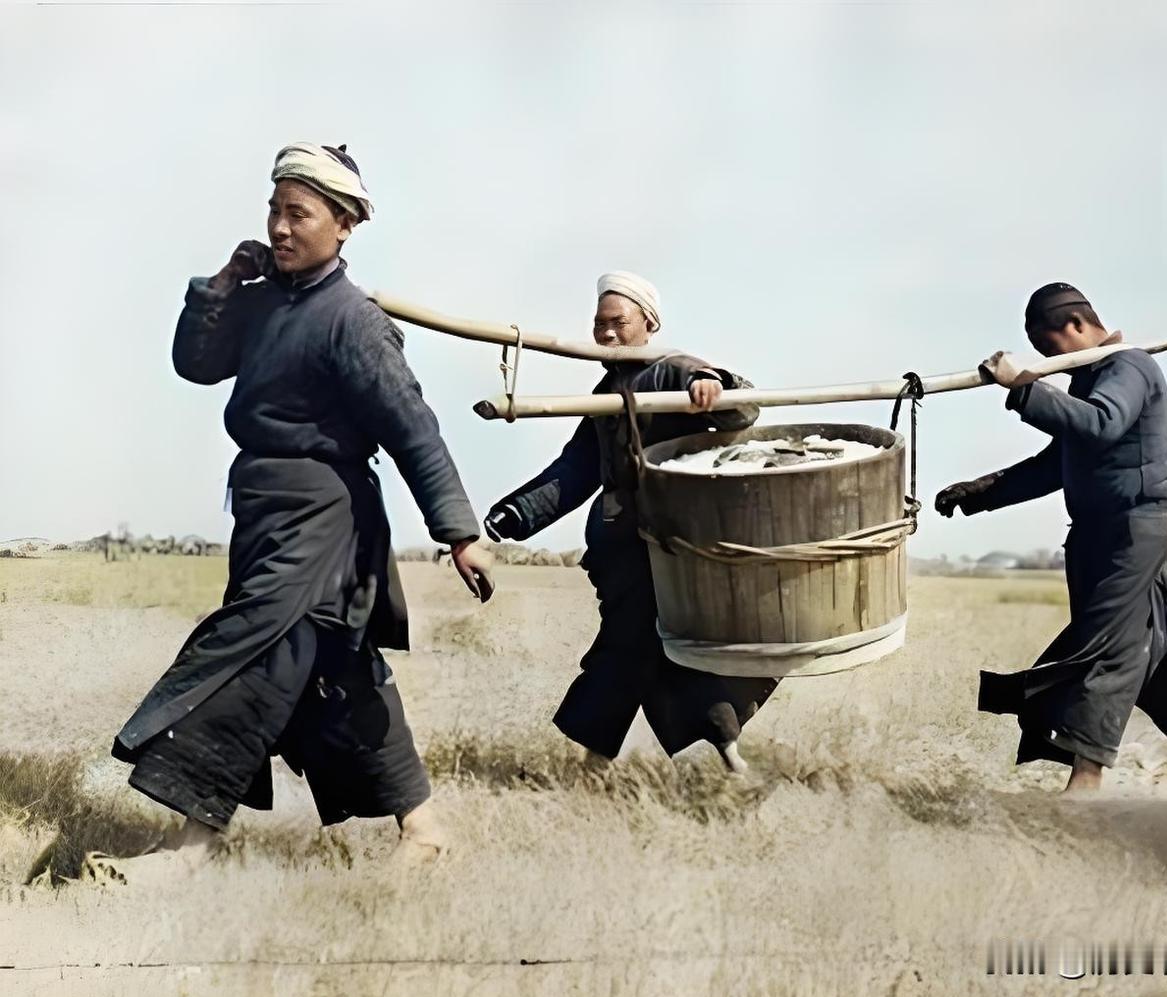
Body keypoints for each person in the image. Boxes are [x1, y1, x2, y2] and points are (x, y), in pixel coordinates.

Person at [111, 142, 493, 876]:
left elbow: (413, 428)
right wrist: (223, 282)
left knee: (256, 649)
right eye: (274, 212)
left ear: (344, 224)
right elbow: (195, 363)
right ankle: (425, 825)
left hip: (325, 517)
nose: (281, 228)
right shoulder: (262, 303)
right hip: (262, 511)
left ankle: (191, 848)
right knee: (335, 669)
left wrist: (460, 533)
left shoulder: (353, 321)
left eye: (300, 214)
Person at [936, 282, 1167, 806]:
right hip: (1104, 534)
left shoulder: (1129, 368)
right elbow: (1060, 461)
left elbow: (1101, 424)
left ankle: (1087, 783)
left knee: (1106, 648)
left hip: (1139, 529)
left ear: (1075, 327)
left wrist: (1023, 387)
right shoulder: (1088, 382)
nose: (1051, 362)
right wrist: (981, 492)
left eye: (1050, 348)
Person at [484, 272, 778, 773]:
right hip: (621, 550)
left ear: (649, 323)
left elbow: (737, 407)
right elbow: (575, 470)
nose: (606, 335)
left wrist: (713, 386)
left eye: (617, 323)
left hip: (666, 545)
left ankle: (600, 766)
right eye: (599, 326)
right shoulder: (604, 392)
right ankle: (729, 760)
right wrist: (515, 514)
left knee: (632, 648)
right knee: (653, 650)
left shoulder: (672, 369)